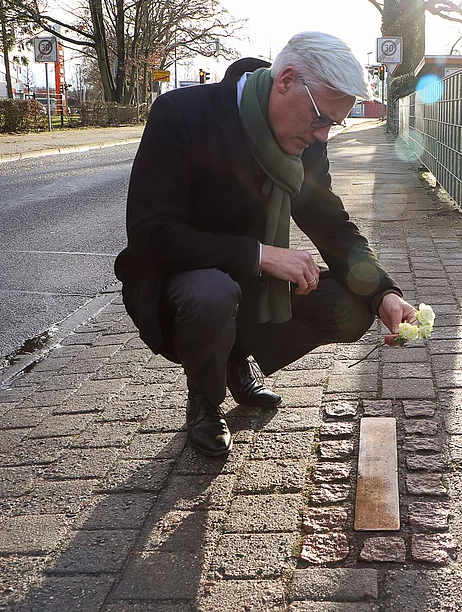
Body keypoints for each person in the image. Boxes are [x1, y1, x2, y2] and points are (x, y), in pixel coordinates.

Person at [114, 31, 416, 457]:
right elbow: (150, 233)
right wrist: (258, 254)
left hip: (251, 282)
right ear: (286, 80)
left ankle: (236, 358)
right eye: (320, 119)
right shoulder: (183, 113)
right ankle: (205, 396)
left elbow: (331, 225)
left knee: (352, 307)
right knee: (212, 294)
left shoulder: (305, 143)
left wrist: (384, 293)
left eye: (334, 123)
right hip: (179, 283)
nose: (324, 136)